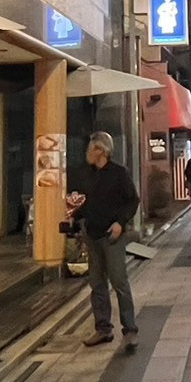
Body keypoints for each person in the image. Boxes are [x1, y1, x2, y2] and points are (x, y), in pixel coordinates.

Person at [73, 131, 140, 348]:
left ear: (101, 150)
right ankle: (103, 329)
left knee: (119, 281)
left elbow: (132, 200)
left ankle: (130, 329)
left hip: (112, 236)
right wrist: (74, 216)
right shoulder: (87, 175)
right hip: (92, 235)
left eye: (91, 149)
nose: (87, 154)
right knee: (97, 283)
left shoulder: (120, 174)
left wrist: (121, 222)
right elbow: (83, 203)